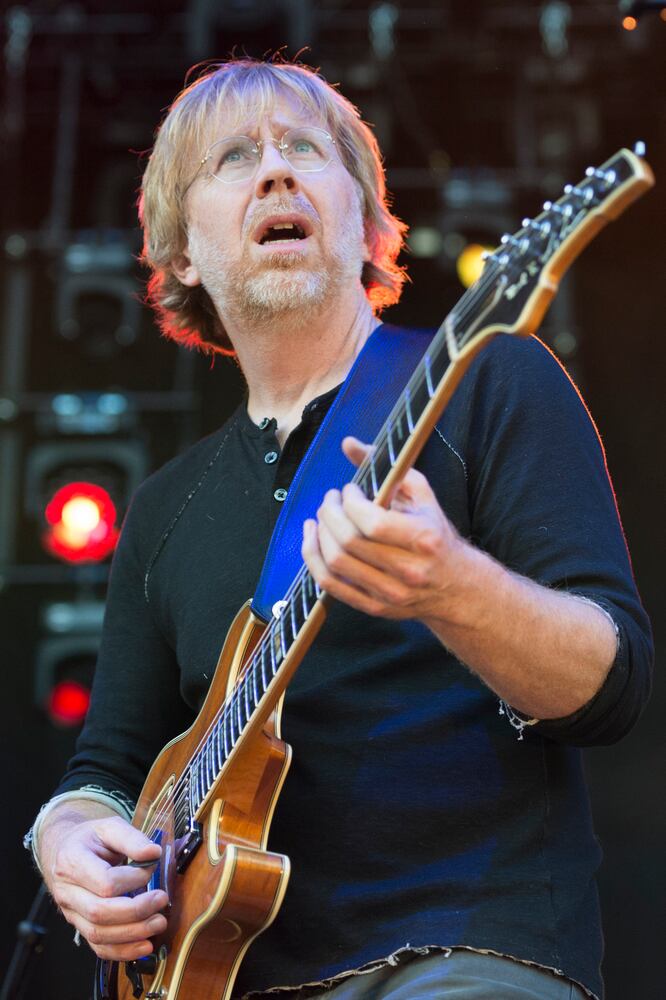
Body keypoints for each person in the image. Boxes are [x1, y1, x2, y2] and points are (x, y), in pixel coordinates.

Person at [26, 58, 652, 1000]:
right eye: (235, 158)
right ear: (182, 253)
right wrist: (66, 838)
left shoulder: (487, 383)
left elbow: (612, 687)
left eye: (305, 150)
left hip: (461, 953)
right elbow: (106, 769)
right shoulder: (162, 511)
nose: (276, 171)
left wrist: (454, 588)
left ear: (364, 222)